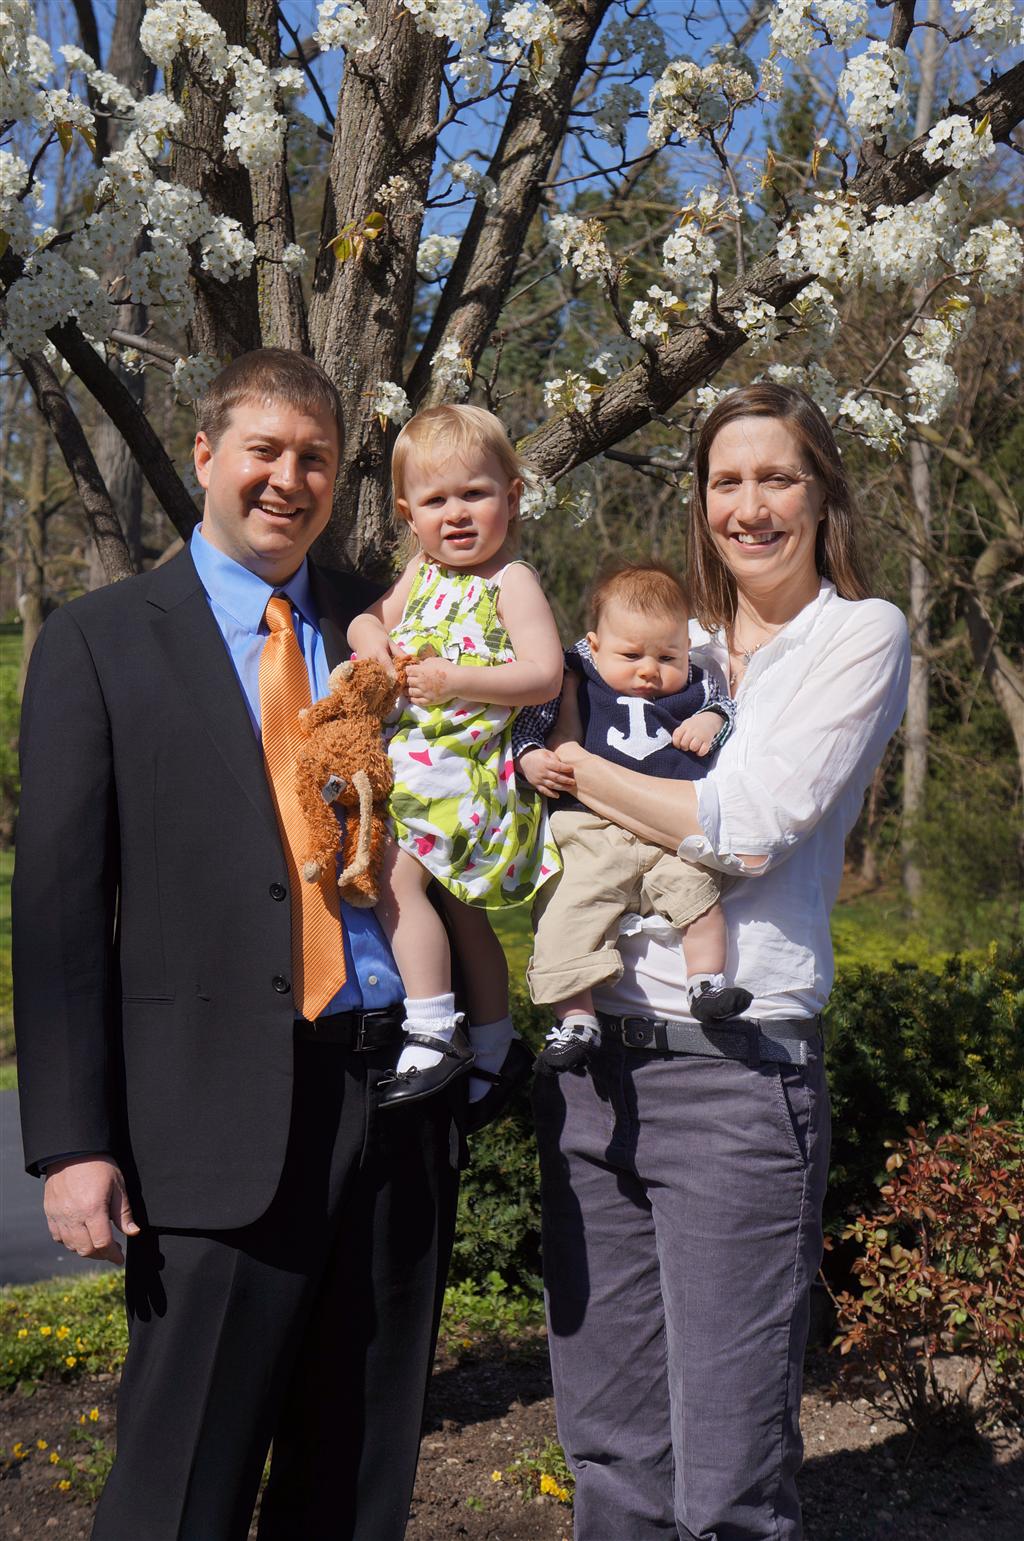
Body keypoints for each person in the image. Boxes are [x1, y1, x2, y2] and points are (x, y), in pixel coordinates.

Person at [13, 349, 460, 1541]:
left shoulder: (388, 629)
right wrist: (73, 1141)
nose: (288, 479)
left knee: (354, 1484)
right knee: (179, 1491)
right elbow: (58, 908)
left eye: (314, 457)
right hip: (207, 1114)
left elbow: (470, 810)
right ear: (207, 455)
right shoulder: (102, 640)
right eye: (264, 450)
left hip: (394, 1097)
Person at [518, 383, 911, 1541]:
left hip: (735, 1072)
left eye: (776, 477)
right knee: (608, 1451)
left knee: (729, 1477)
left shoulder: (856, 634)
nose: (749, 506)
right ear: (699, 501)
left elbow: (743, 829)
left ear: (822, 492)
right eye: (725, 481)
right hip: (594, 1068)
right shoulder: (663, 643)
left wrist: (575, 770)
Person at [347, 404, 563, 1124]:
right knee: (464, 915)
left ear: (513, 497)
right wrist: (373, 644)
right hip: (420, 765)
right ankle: (497, 1047)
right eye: (436, 500)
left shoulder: (511, 581)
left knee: (393, 877)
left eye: (475, 493)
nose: (457, 513)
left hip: (466, 772)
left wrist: (455, 679)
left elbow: (544, 675)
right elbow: (366, 619)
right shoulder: (420, 572)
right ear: (409, 515)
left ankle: (434, 1027)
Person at [523, 560, 751, 1075]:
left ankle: (706, 984)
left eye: (667, 656)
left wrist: (710, 719)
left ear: (686, 649)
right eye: (630, 655)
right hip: (591, 830)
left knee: (700, 899)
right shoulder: (575, 678)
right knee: (565, 913)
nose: (649, 670)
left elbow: (727, 708)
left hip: (669, 833)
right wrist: (531, 757)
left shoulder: (698, 686)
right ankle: (575, 1020)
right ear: (594, 645)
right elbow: (531, 723)